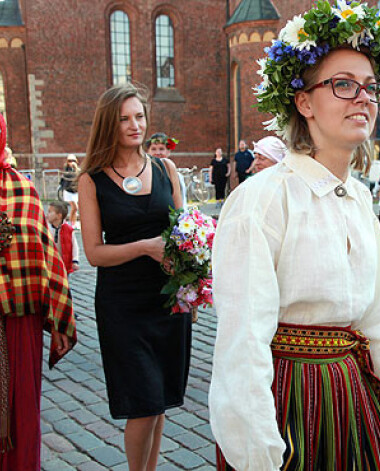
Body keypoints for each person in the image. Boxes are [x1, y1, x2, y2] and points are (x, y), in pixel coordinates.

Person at [209, 3, 380, 469]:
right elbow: (243, 338)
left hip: (353, 397)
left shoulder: (361, 199)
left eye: (371, 88)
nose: (362, 98)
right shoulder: (263, 199)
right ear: (304, 102)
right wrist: (260, 454)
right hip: (289, 399)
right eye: (343, 84)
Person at [77, 83, 192, 471]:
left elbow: (184, 233)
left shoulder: (165, 168)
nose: (134, 125)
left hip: (166, 300)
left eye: (139, 116)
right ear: (110, 123)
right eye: (124, 118)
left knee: (158, 402)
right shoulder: (91, 179)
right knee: (143, 401)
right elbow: (93, 253)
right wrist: (145, 246)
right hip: (122, 305)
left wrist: (189, 268)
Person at [0, 113, 76, 470]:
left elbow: (46, 259)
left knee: (22, 412)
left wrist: (60, 320)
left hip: (20, 324)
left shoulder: (23, 191)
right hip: (17, 320)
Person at [145, 132, 187, 208]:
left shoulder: (177, 176)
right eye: (153, 149)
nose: (157, 153)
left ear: (168, 152)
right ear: (147, 152)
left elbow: (182, 201)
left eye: (161, 149)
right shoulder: (144, 174)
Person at [47, 201, 80, 275]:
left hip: (64, 264)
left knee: (65, 282)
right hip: (50, 263)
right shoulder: (46, 229)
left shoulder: (69, 230)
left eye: (50, 212)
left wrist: (75, 261)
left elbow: (75, 246)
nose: (47, 214)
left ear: (59, 216)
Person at [61, 154, 80, 229]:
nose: (71, 162)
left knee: (75, 209)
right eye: (70, 161)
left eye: (73, 161)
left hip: (75, 192)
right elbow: (66, 178)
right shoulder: (66, 170)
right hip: (68, 191)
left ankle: (73, 223)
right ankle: (71, 223)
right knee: (75, 207)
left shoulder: (77, 170)